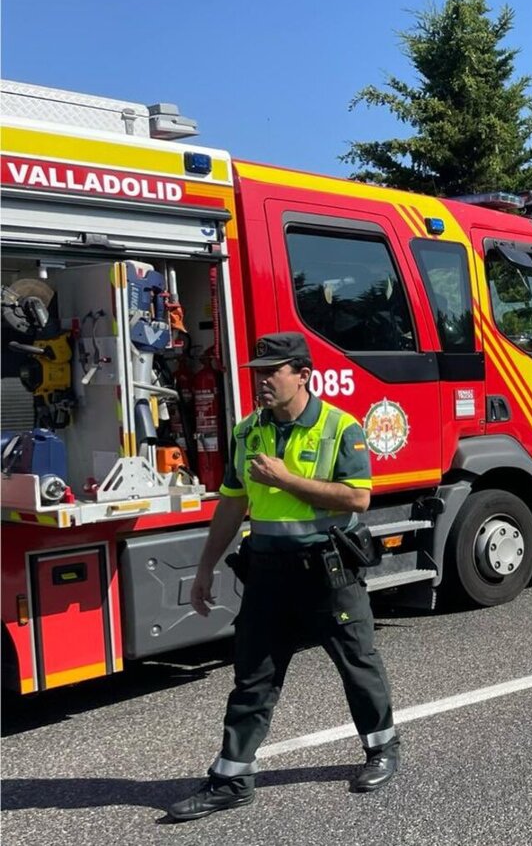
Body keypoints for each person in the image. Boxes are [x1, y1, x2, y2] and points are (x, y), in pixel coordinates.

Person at [167, 332, 398, 822]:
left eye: (272, 371)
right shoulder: (248, 430)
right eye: (257, 372)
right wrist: (205, 567)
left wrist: (285, 479)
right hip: (269, 574)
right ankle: (231, 779)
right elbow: (232, 503)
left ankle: (382, 748)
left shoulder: (340, 428)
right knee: (252, 677)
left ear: (303, 375)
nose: (262, 381)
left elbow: (358, 498)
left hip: (328, 571)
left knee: (358, 664)